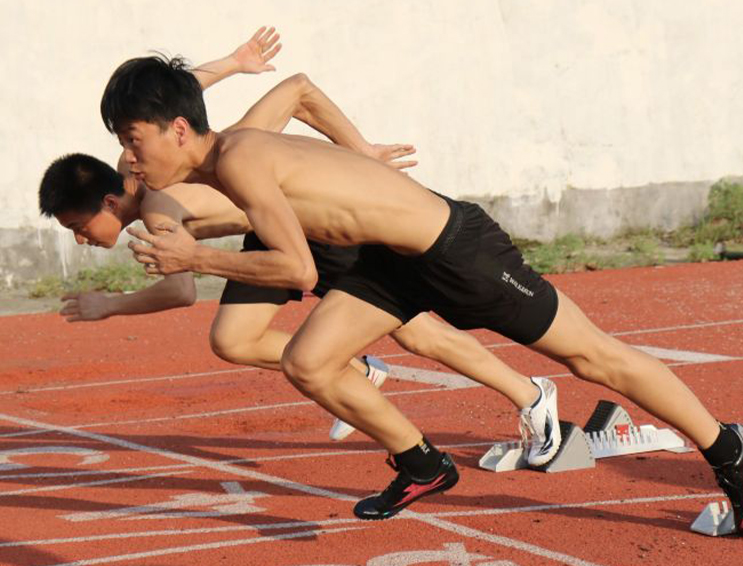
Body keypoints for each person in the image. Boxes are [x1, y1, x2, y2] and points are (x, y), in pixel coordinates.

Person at [101, 52, 743, 534]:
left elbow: (298, 270)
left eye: (134, 141)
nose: (131, 160)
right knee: (308, 361)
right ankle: (422, 462)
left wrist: (196, 258)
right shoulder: (223, 163)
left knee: (594, 358)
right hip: (391, 265)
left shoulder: (240, 157)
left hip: (457, 251)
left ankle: (728, 451)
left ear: (177, 130)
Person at [40, 29, 552, 445]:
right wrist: (232, 62)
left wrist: (110, 306)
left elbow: (181, 288)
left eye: (79, 228)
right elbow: (169, 93)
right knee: (232, 338)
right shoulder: (134, 165)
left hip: (311, 231)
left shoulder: (159, 206)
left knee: (415, 330)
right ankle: (358, 369)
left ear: (108, 204)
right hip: (264, 236)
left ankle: (530, 396)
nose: (83, 240)